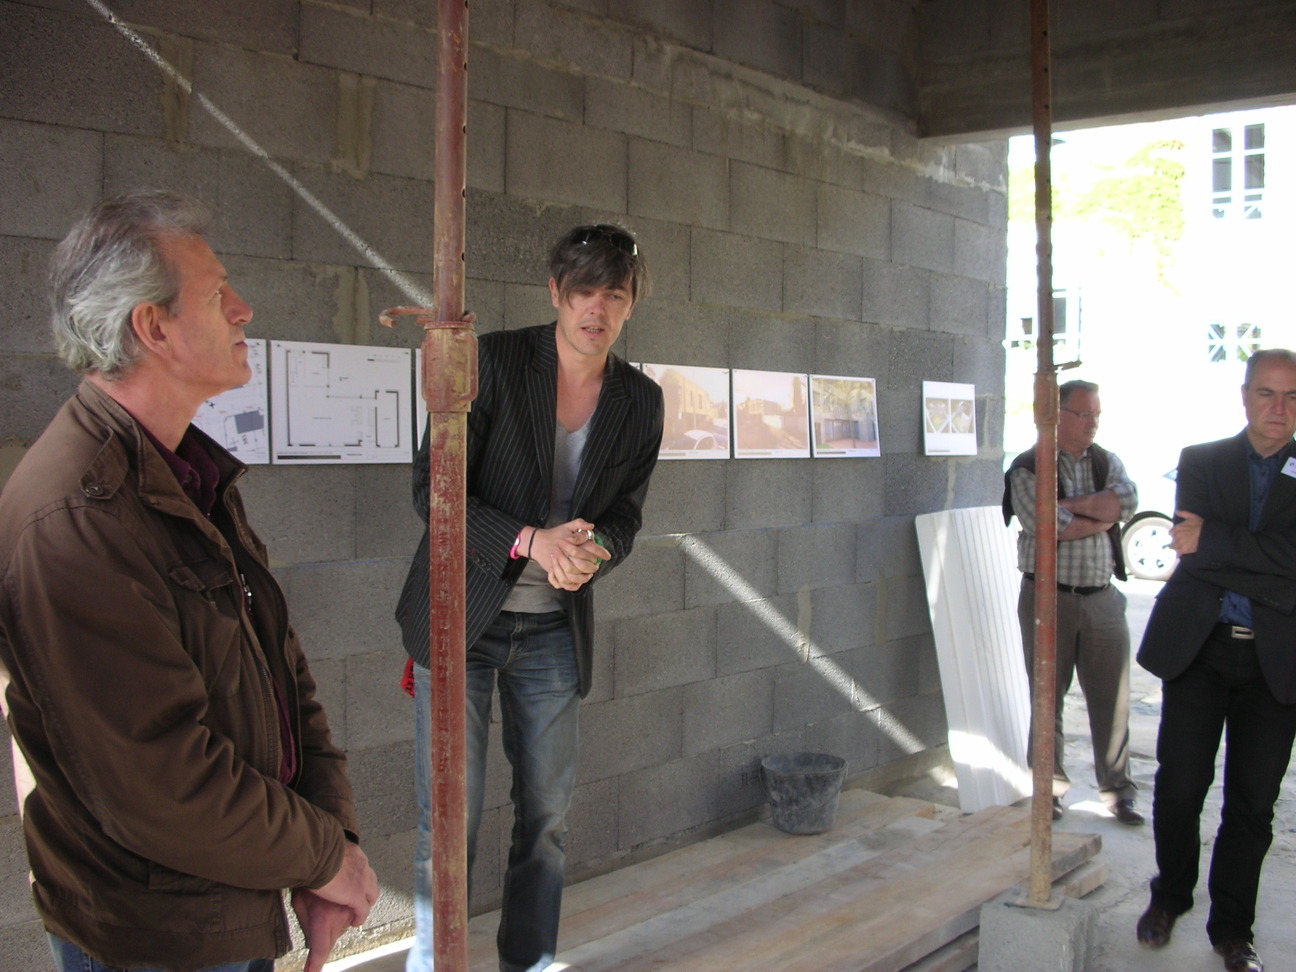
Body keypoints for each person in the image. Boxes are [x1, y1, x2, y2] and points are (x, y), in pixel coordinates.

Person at [0, 190, 379, 972]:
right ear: (153, 327)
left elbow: (282, 677)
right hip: (154, 934)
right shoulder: (78, 518)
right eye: (217, 293)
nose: (243, 309)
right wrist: (321, 858)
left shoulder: (182, 473)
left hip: (227, 898)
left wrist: (329, 837)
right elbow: (161, 781)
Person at [395, 223, 664, 972]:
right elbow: (433, 491)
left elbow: (625, 519)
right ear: (555, 292)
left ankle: (528, 960)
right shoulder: (496, 363)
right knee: (448, 817)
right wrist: (530, 541)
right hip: (462, 623)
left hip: (552, 632)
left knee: (546, 815)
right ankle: (434, 963)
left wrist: (592, 554)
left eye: (614, 294)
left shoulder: (641, 402)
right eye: (583, 290)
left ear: (631, 303)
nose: (596, 308)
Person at [1134, 350, 1296, 972]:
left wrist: (1219, 544)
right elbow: (1187, 549)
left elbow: (1211, 548)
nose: (1277, 408)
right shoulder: (1202, 461)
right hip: (1200, 650)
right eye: (1266, 394)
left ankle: (1232, 930)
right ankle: (1169, 896)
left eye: (1289, 396)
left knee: (1252, 805)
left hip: (1275, 665)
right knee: (1178, 789)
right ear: (1245, 395)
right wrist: (1273, 570)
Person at [1003, 379, 1143, 825]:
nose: (1092, 423)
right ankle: (1049, 789)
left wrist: (1073, 508)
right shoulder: (1028, 467)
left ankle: (1118, 791)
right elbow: (1049, 526)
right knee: (1047, 700)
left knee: (1112, 701)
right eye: (1083, 415)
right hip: (1049, 599)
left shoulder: (1107, 461)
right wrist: (1097, 515)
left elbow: (1129, 502)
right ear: (1057, 416)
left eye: (1096, 414)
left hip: (1102, 598)